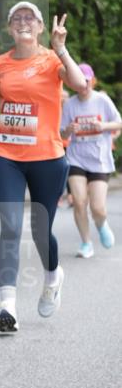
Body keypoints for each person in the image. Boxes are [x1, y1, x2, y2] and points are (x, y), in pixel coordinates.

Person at [0, 2, 86, 334]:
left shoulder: (50, 59)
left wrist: (62, 49)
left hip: (47, 156)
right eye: (16, 18)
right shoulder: (1, 62)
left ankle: (52, 277)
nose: (23, 22)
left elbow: (78, 84)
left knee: (39, 231)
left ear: (42, 27)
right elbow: (1, 97)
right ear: (9, 28)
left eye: (30, 18)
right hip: (8, 156)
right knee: (11, 226)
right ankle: (8, 307)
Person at [61, 62, 121, 257]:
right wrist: (69, 130)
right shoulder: (70, 104)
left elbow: (119, 122)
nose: (84, 85)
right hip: (76, 157)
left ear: (92, 81)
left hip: (99, 158)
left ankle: (102, 224)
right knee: (79, 201)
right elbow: (61, 132)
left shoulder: (102, 100)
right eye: (80, 81)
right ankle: (86, 243)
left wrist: (102, 126)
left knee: (98, 207)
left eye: (87, 81)